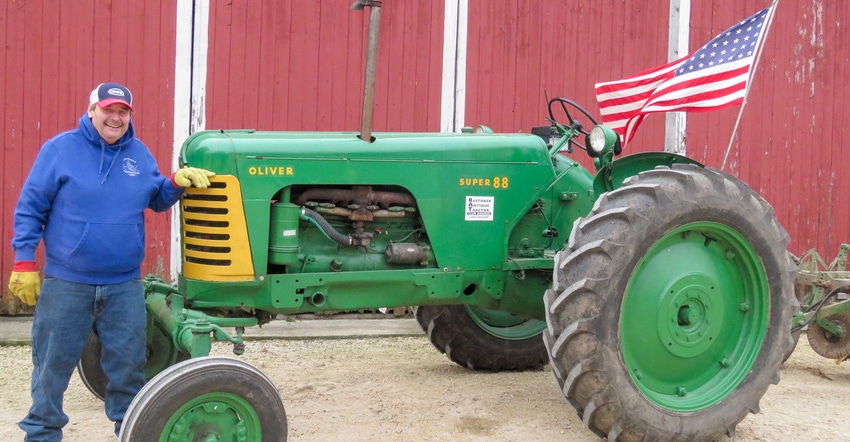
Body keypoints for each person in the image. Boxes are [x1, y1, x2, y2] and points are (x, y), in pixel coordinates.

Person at [6, 82, 215, 440]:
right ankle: (42, 433)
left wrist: (176, 182)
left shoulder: (139, 154)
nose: (115, 117)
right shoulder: (59, 150)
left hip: (123, 286)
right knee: (51, 368)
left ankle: (131, 431)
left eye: (123, 111)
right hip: (67, 284)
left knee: (129, 368)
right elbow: (30, 208)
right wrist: (24, 261)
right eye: (108, 110)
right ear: (92, 111)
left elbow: (157, 199)